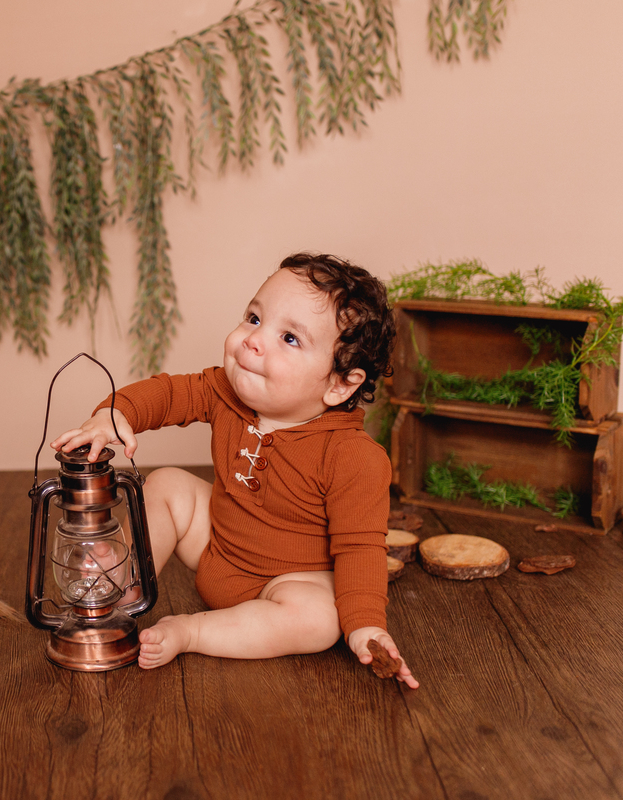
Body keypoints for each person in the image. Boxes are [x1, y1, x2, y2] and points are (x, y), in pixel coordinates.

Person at [51, 253, 418, 687]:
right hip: (215, 548)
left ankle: (193, 631)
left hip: (283, 583)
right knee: (168, 483)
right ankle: (124, 583)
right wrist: (118, 412)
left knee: (320, 618)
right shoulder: (225, 392)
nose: (254, 340)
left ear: (341, 384)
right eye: (254, 318)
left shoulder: (355, 458)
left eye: (290, 339)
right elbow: (169, 393)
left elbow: (360, 550)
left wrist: (366, 625)